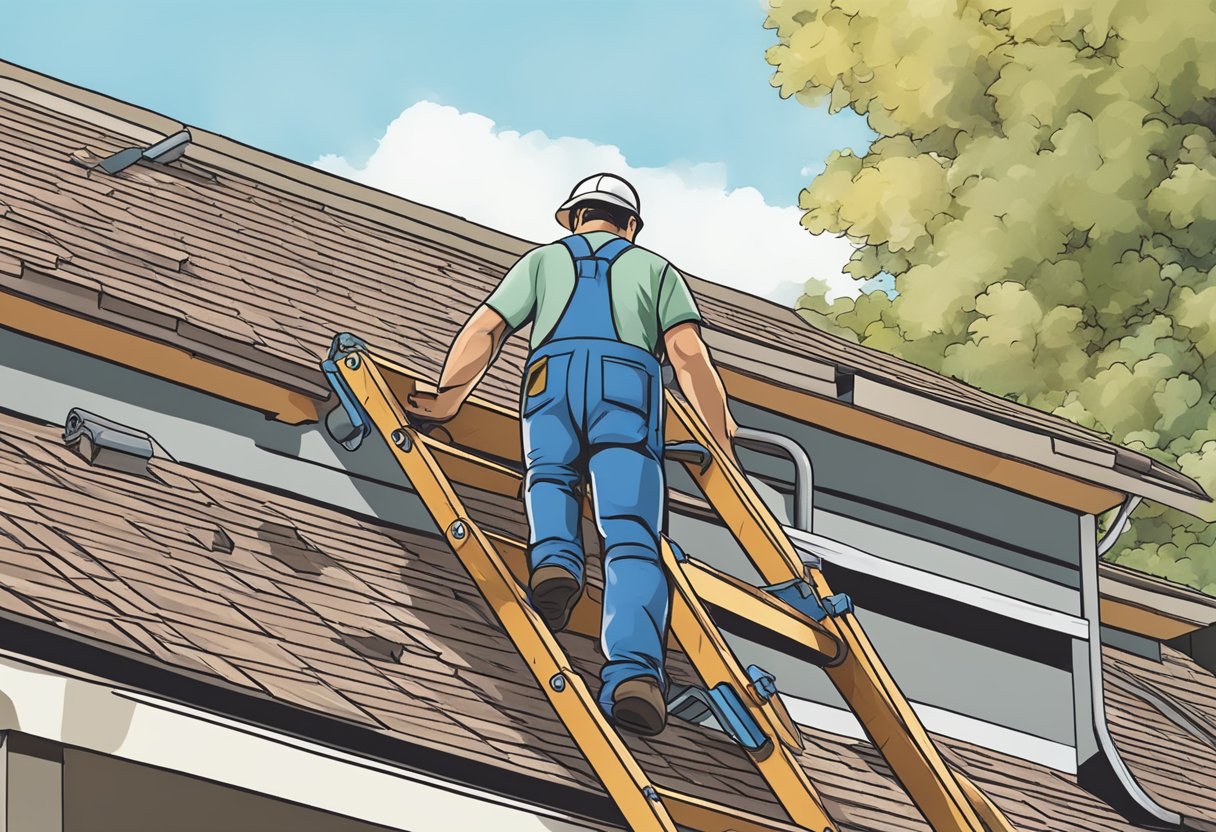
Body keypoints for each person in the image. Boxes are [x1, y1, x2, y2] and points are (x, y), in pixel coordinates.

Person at [404, 173, 738, 736]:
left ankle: (555, 561)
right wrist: (721, 442)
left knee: (550, 476)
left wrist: (447, 401)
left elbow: (486, 330)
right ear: (630, 225)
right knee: (631, 535)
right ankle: (634, 673)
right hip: (625, 387)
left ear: (576, 217)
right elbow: (688, 356)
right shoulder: (655, 271)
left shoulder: (540, 263)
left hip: (550, 380)